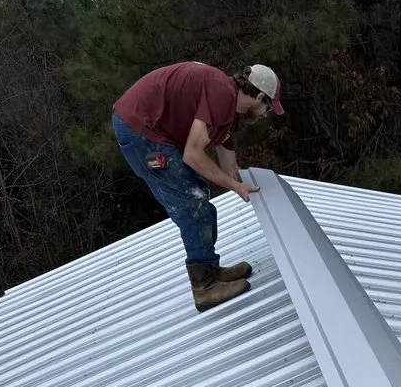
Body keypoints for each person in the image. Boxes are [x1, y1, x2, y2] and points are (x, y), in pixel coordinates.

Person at [112, 62, 284, 312]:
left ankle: (210, 270)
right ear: (259, 97)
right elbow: (193, 155)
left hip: (146, 126)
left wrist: (250, 186)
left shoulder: (229, 114)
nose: (265, 115)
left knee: (199, 198)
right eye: (267, 108)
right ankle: (204, 287)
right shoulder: (221, 96)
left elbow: (229, 168)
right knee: (193, 204)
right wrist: (236, 186)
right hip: (139, 130)